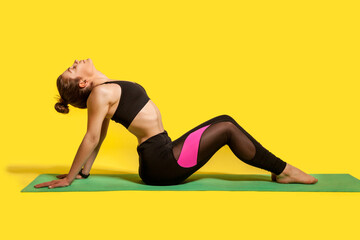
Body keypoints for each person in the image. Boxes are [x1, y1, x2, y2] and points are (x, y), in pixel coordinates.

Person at [34, 59, 318, 189]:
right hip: (162, 162)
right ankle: (285, 170)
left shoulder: (104, 90)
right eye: (72, 68)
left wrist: (84, 173)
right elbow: (91, 138)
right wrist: (70, 177)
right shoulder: (101, 93)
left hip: (162, 155)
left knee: (225, 124)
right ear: (83, 82)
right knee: (227, 125)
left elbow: (101, 134)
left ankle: (281, 170)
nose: (75, 61)